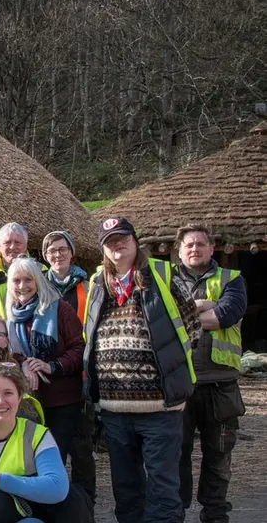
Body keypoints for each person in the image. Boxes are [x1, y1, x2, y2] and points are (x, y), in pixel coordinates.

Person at [84, 217, 201, 523]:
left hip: (161, 408)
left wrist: (174, 378)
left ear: (135, 241)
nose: (117, 244)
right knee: (126, 490)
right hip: (114, 410)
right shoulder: (98, 285)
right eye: (110, 241)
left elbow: (193, 328)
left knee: (162, 490)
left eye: (123, 238)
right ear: (103, 249)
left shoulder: (162, 275)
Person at [0, 363, 85, 523]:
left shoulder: (35, 435)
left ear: (20, 397)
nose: (0, 401)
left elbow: (57, 488)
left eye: (8, 393)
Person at [174, 224, 247, 523]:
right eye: (189, 245)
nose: (194, 249)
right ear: (179, 251)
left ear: (211, 248)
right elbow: (158, 319)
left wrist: (183, 315)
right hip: (178, 384)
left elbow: (226, 315)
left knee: (218, 457)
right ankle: (173, 512)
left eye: (200, 244)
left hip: (220, 386)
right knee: (175, 456)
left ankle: (215, 515)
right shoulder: (165, 281)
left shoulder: (232, 279)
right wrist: (202, 306)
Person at [5, 257, 84, 463]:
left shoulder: (60, 309)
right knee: (31, 459)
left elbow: (80, 347)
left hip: (62, 400)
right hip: (29, 400)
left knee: (54, 460)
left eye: (28, 280)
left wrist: (52, 366)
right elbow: (11, 352)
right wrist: (24, 363)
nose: (22, 286)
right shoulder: (11, 317)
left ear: (38, 281)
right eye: (16, 281)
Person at [41, 229, 95, 504]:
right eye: (51, 251)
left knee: (82, 447)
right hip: (54, 377)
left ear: (72, 252)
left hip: (84, 371)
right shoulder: (39, 287)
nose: (57, 255)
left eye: (62, 249)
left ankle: (86, 503)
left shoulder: (88, 286)